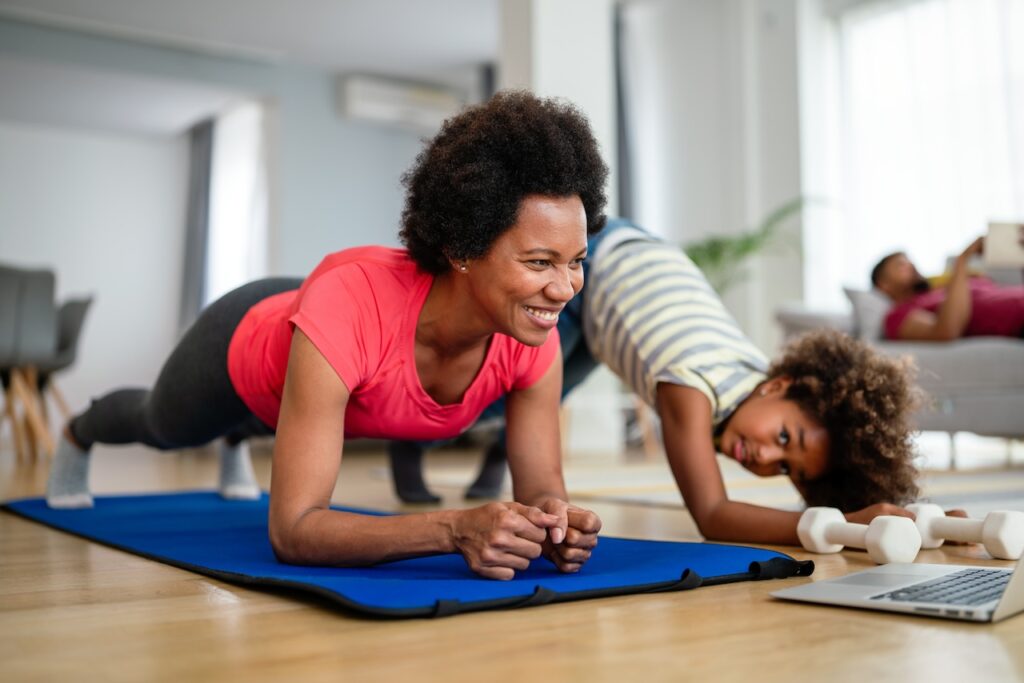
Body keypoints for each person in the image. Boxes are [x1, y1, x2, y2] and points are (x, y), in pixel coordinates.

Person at [45, 91, 608, 580]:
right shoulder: (351, 302)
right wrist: (452, 528)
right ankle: (80, 431)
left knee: (271, 424)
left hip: (325, 343)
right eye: (539, 262)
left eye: (575, 261)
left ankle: (238, 440)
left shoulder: (532, 331)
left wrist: (555, 522)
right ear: (462, 248)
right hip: (246, 339)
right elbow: (293, 531)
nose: (564, 289)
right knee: (163, 426)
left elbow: (540, 486)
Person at [391, 220, 926, 546]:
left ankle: (493, 443)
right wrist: (847, 525)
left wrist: (896, 514)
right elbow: (714, 516)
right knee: (494, 388)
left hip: (630, 283)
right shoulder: (690, 387)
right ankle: (409, 435)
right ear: (777, 386)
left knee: (534, 399)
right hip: (594, 262)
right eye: (784, 440)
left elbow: (825, 481)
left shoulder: (771, 393)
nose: (766, 458)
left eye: (785, 469)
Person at [872, 237, 1024, 341]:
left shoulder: (939, 289)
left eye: (909, 261)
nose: (911, 265)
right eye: (901, 265)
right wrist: (962, 260)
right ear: (883, 284)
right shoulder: (897, 315)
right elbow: (945, 331)